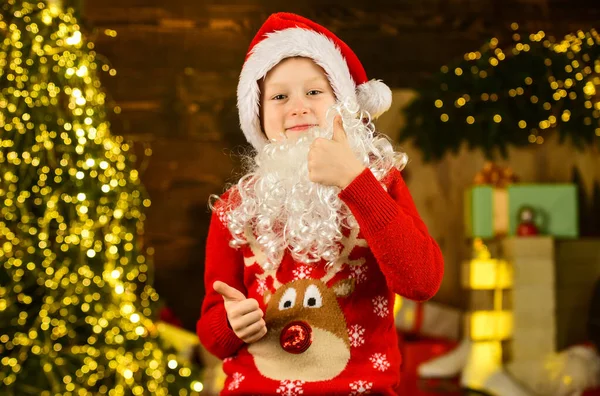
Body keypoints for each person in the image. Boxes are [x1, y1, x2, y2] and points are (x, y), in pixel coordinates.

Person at [196, 12, 444, 395]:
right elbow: (212, 332)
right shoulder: (236, 208)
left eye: (314, 92)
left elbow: (422, 281)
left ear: (343, 106)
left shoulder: (378, 184)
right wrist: (230, 325)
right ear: (258, 117)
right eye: (279, 96)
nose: (298, 107)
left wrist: (354, 182)